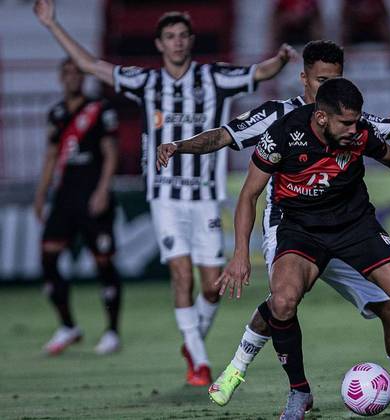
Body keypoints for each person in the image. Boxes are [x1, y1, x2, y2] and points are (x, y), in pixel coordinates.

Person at [157, 40, 390, 413]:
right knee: (283, 300)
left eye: (334, 80)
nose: (327, 88)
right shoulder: (279, 123)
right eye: (321, 80)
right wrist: (180, 146)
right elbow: (228, 148)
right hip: (294, 227)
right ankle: (272, 381)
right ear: (304, 80)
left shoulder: (353, 123)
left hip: (353, 226)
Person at [34, 0, 293, 386]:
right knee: (180, 273)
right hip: (165, 196)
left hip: (205, 195)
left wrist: (282, 59)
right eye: (169, 37)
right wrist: (53, 24)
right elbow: (92, 66)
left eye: (183, 36)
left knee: (211, 286)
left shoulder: (214, 78)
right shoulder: (147, 82)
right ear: (159, 44)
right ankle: (200, 362)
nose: (176, 42)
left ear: (190, 41)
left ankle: (193, 343)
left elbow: (259, 72)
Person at [34, 58, 121, 356]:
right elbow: (50, 157)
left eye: (76, 72)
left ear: (84, 78)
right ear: (60, 78)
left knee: (103, 262)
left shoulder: (100, 110)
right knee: (47, 256)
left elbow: (111, 154)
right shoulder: (56, 114)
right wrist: (41, 194)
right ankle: (68, 325)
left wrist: (102, 190)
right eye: (67, 73)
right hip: (65, 198)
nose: (71, 77)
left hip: (92, 195)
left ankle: (112, 331)